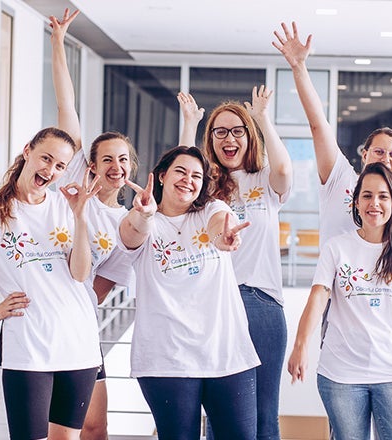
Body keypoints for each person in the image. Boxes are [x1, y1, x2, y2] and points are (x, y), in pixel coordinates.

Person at [0, 126, 102, 440]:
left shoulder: (66, 207)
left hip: (78, 344)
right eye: (46, 158)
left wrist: (80, 217)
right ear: (28, 151)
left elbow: (80, 274)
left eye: (60, 166)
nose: (50, 170)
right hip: (27, 348)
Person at [274, 22, 392, 239]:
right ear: (364, 155)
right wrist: (299, 67)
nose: (386, 158)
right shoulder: (340, 178)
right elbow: (318, 125)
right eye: (379, 151)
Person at [116, 146, 259, 439]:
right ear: (162, 176)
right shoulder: (142, 219)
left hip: (226, 354)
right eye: (180, 172)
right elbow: (132, 235)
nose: (188, 180)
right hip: (166, 360)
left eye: (196, 176)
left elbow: (220, 227)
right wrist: (144, 215)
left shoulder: (213, 209)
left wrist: (225, 237)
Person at [177, 84, 292, 440]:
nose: (229, 138)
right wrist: (190, 124)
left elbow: (284, 169)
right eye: (220, 132)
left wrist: (263, 119)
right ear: (210, 140)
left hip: (262, 303)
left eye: (238, 131)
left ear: (249, 137)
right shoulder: (205, 186)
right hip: (215, 305)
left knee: (264, 415)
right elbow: (180, 174)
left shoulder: (264, 179)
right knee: (220, 416)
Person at [287, 163, 392, 439]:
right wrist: (300, 345)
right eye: (367, 196)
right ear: (356, 202)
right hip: (341, 375)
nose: (374, 203)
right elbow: (318, 297)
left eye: (383, 196)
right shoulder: (336, 248)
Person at [47, 9, 139, 440]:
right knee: (53, 426)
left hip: (79, 326)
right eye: (107, 159)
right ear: (92, 165)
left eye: (123, 159)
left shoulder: (126, 224)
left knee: (96, 425)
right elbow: (66, 106)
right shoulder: (72, 183)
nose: (116, 167)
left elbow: (100, 288)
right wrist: (58, 43)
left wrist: (74, 302)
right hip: (41, 317)